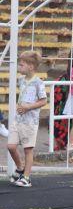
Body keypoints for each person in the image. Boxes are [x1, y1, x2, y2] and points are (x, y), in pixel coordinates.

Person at [7, 51, 47, 187]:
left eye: (21, 65)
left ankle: (26, 177)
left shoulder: (38, 83)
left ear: (31, 66)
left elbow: (43, 101)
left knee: (28, 149)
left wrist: (28, 107)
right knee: (11, 146)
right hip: (18, 120)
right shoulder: (21, 80)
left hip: (30, 122)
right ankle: (19, 168)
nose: (19, 67)